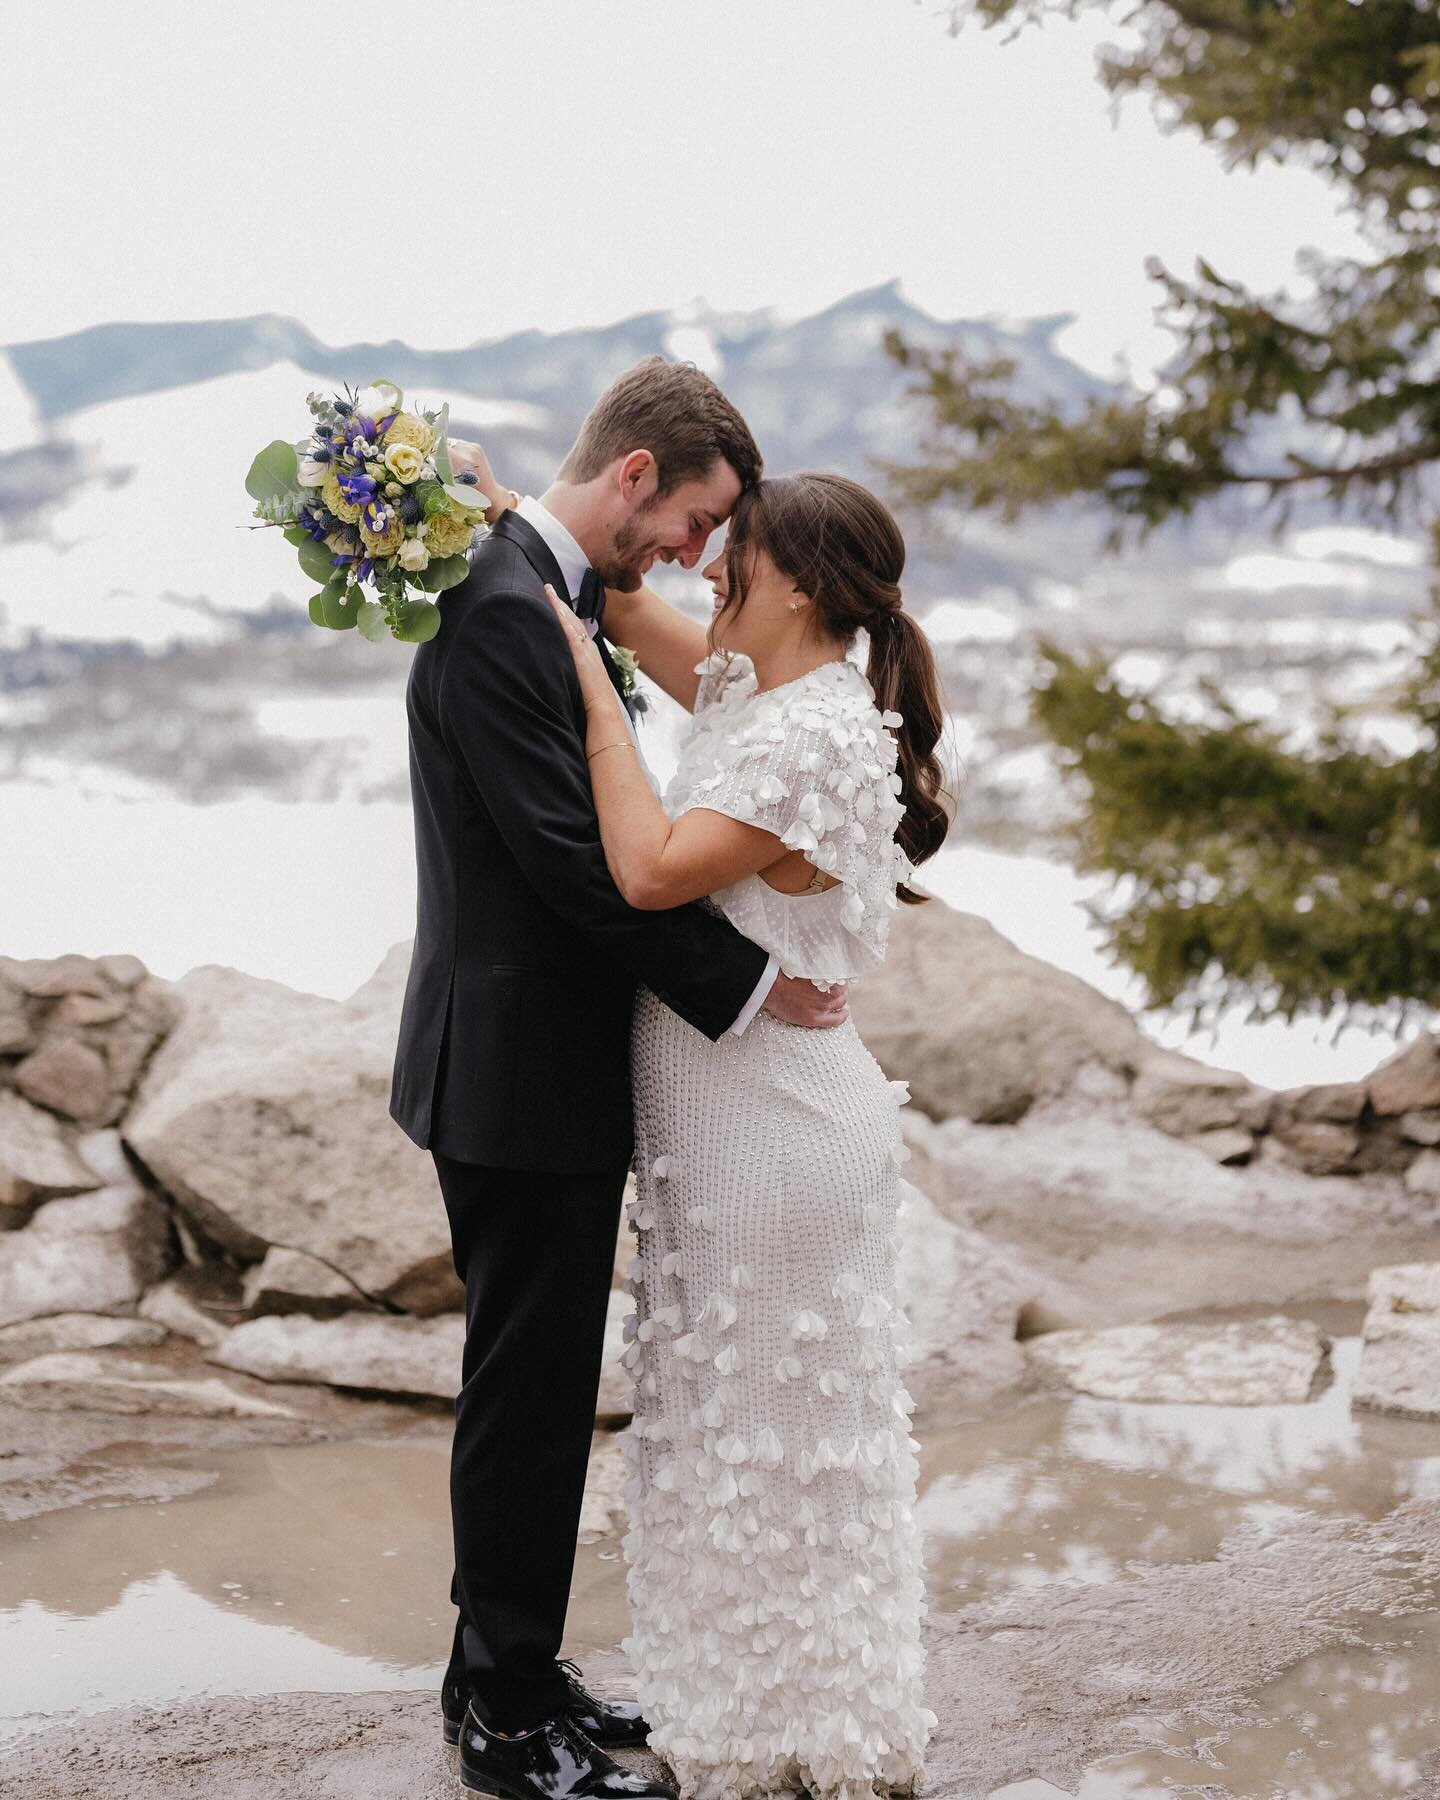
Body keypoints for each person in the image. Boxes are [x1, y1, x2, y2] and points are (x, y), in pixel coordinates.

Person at [387, 357, 850, 1800]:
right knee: (525, 1395)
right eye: (695, 521)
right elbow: (583, 877)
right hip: (515, 1071)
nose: (696, 558)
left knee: (535, 1385)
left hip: (545, 1064)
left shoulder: (548, 591)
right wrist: (754, 988)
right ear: (639, 475)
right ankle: (505, 1719)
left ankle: (507, 1660)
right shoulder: (506, 613)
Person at [531, 467, 951, 1800]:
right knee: (735, 1434)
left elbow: (651, 870)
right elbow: (615, 596)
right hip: (735, 1127)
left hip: (777, 1133)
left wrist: (591, 698)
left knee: (786, 1442)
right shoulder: (753, 688)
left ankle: (822, 1734)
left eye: (737, 559)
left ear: (807, 589)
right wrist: (499, 513)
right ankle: (760, 1712)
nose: (708, 574)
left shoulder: (810, 734)